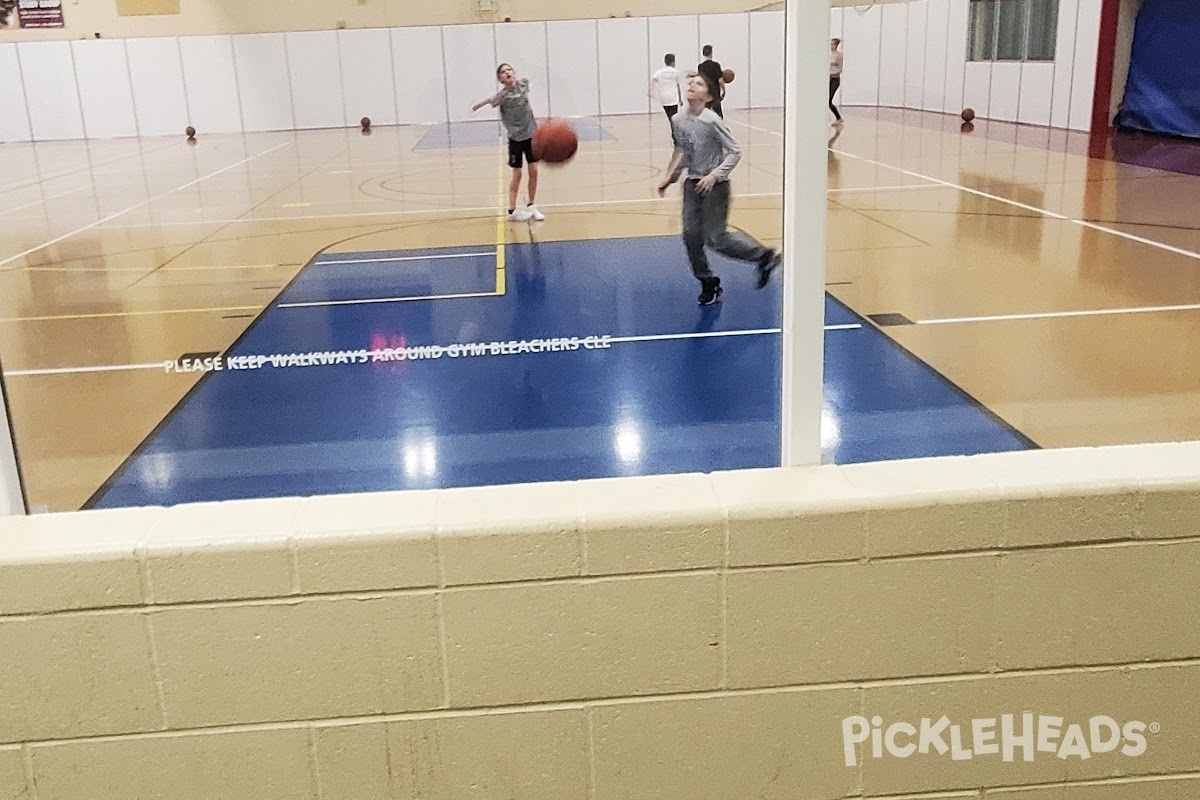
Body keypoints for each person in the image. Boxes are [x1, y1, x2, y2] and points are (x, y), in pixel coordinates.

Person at [657, 73, 780, 305]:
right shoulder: (678, 120)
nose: (692, 84)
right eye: (690, 82)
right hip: (692, 185)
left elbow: (735, 152)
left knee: (716, 238)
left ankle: (764, 256)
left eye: (699, 83)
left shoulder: (712, 121)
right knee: (690, 236)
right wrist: (670, 178)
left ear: (709, 96)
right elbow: (685, 151)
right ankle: (708, 282)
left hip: (716, 187)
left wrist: (715, 176)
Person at [472, 63, 544, 222]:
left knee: (533, 170)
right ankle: (512, 211)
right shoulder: (502, 96)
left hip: (531, 135)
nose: (507, 73)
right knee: (517, 174)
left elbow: (534, 75)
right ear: (500, 79)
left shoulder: (523, 84)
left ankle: (532, 205)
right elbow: (489, 100)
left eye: (509, 70)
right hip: (515, 139)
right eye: (503, 72)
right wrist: (478, 105)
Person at [649, 53, 683, 144]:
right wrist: (680, 99)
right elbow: (678, 86)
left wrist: (651, 91)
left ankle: (675, 134)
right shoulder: (675, 72)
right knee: (674, 117)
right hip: (673, 98)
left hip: (664, 98)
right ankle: (675, 135)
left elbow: (653, 80)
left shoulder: (660, 72)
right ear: (673, 62)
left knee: (670, 117)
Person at [697, 45, 725, 119]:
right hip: (715, 92)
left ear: (703, 54)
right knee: (718, 114)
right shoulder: (716, 65)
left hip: (705, 92)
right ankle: (719, 128)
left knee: (705, 112)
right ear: (711, 53)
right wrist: (724, 90)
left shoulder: (700, 66)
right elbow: (720, 80)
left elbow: (700, 80)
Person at [829, 38, 844, 126]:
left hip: (834, 79)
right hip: (828, 80)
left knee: (829, 100)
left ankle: (839, 118)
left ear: (836, 45)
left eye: (832, 44)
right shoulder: (829, 55)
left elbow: (840, 69)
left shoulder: (839, 55)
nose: (831, 46)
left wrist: (831, 74)